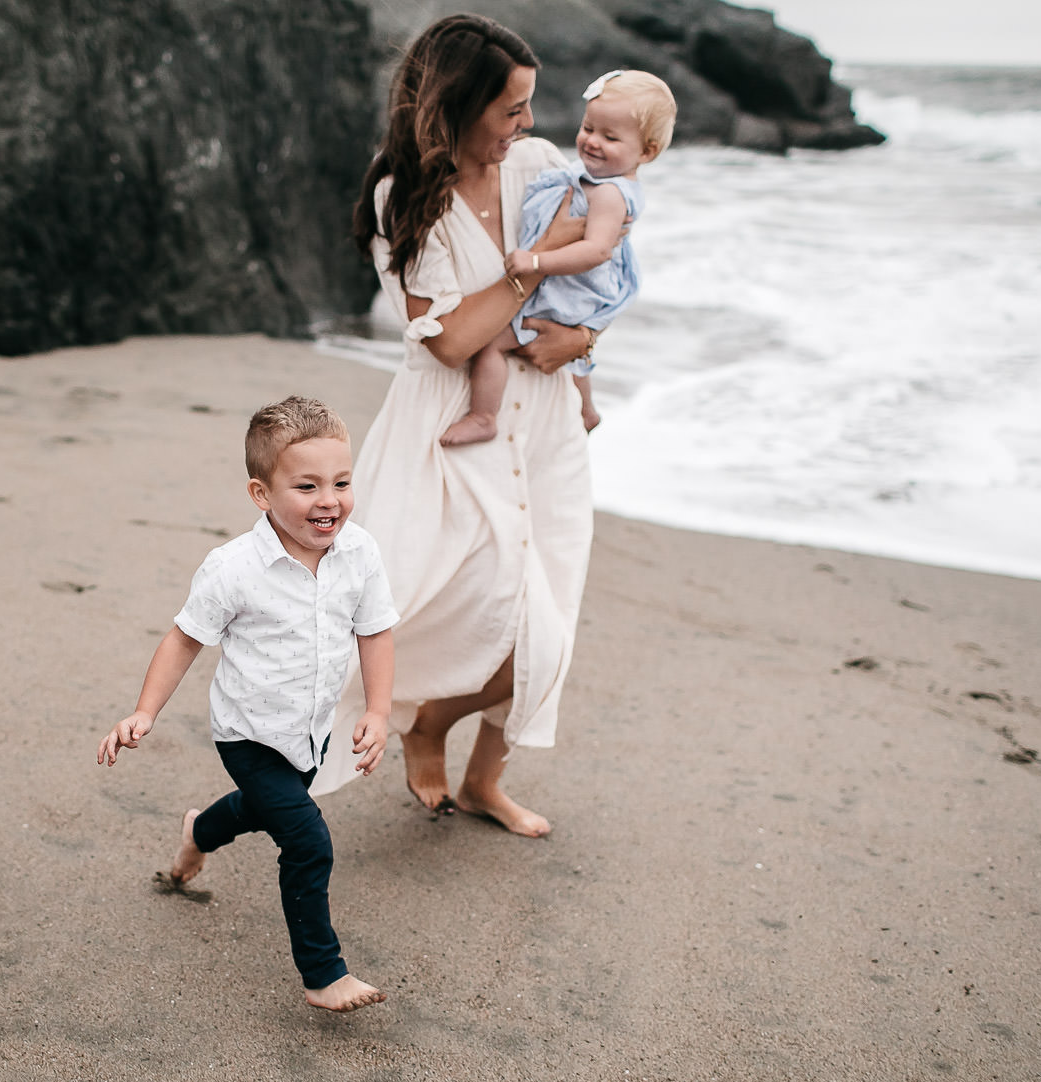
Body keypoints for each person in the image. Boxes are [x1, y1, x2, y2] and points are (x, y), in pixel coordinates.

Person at [321, 14, 616, 836]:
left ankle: (485, 777)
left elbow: (596, 274)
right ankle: (422, 722)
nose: (526, 125)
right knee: (460, 608)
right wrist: (532, 270)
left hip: (545, 421)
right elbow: (450, 338)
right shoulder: (400, 197)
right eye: (511, 108)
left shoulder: (539, 164)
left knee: (551, 610)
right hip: (453, 428)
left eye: (529, 106)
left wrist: (586, 337)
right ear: (457, 105)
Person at [98, 397, 397, 1013]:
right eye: (307, 485)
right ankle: (323, 973)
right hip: (248, 734)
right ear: (262, 493)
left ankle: (198, 833)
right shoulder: (233, 568)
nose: (329, 500)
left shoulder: (360, 552)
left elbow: (375, 631)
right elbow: (184, 638)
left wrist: (378, 710)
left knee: (261, 811)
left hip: (310, 731)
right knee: (308, 841)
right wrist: (144, 711)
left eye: (342, 482)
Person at [441, 69, 676, 447]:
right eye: (588, 128)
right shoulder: (593, 177)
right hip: (571, 286)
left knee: (491, 344)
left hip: (569, 287)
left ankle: (484, 415)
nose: (592, 142)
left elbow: (597, 250)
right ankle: (587, 409)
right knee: (573, 356)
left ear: (647, 151)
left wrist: (535, 262)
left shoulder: (610, 193)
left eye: (610, 137)